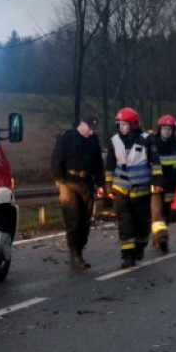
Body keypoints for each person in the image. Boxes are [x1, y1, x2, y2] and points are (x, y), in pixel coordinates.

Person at [105, 107, 162, 268]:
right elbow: (109, 165)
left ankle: (140, 247)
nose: (121, 127)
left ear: (133, 125)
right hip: (121, 188)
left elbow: (155, 164)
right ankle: (127, 256)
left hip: (142, 189)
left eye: (124, 124)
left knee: (143, 223)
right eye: (119, 124)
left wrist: (157, 182)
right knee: (125, 222)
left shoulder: (147, 140)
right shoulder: (114, 141)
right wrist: (108, 185)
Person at [50, 114, 105, 271]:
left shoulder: (93, 140)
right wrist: (60, 181)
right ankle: (75, 255)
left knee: (85, 220)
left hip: (86, 182)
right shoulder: (66, 137)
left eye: (94, 129)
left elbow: (98, 164)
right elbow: (56, 160)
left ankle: (79, 251)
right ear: (82, 124)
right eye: (90, 128)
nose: (92, 132)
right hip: (69, 182)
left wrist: (100, 184)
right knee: (73, 219)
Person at [149, 115, 176, 254]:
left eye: (169, 129)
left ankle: (157, 238)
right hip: (155, 185)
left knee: (166, 215)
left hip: (170, 186)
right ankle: (162, 239)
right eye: (164, 128)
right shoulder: (153, 144)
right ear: (159, 129)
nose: (167, 131)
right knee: (157, 214)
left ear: (173, 130)